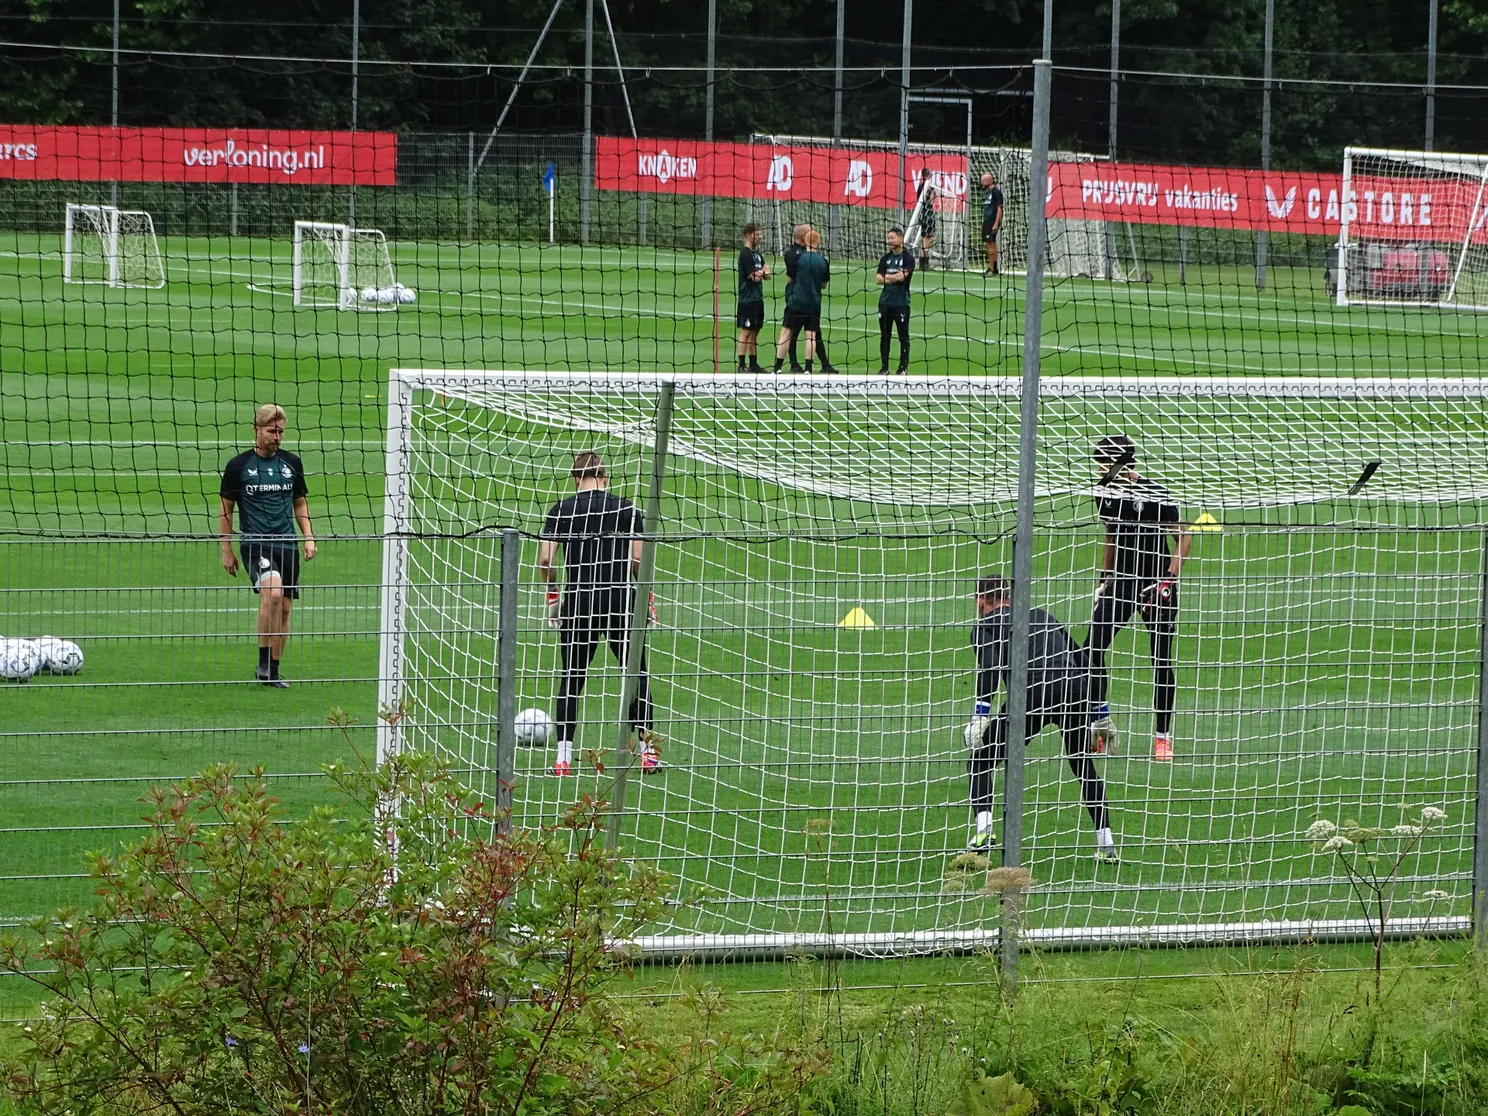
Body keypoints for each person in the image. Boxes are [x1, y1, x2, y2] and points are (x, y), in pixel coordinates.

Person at [963, 576, 1118, 862]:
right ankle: (1106, 844)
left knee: (981, 759)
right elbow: (1087, 658)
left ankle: (983, 833)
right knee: (1083, 763)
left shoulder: (984, 626)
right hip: (1074, 687)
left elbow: (990, 667)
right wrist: (1100, 713)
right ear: (1008, 598)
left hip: (1032, 691)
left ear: (981, 601)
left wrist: (981, 715)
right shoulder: (1043, 616)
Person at [537, 451, 661, 777]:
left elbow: (546, 561)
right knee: (635, 675)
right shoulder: (625, 508)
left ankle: (563, 758)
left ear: (576, 478)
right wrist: (645, 598)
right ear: (604, 477)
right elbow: (638, 560)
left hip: (580, 603)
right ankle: (647, 753)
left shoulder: (562, 510)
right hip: (620, 600)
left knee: (571, 678)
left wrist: (553, 596)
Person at [1084, 434, 1192, 762]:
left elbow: (1183, 538)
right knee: (1090, 649)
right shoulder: (1104, 494)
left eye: (1104, 463)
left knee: (1161, 658)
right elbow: (1111, 536)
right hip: (1122, 584)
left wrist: (1169, 580)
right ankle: (1100, 721)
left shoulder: (1154, 492)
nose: (1100, 469)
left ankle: (1162, 739)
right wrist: (1104, 579)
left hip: (1155, 585)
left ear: (1119, 462)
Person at [219, 403, 316, 688]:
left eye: (281, 432)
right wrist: (226, 549)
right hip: (255, 543)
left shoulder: (291, 463)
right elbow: (226, 509)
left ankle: (273, 670)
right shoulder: (238, 466)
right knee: (272, 595)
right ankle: (263, 664)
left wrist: (308, 536)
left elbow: (299, 502)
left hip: (287, 544)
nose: (277, 437)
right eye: (272, 431)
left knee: (285, 607)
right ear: (257, 430)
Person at [779, 224, 836, 374]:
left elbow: (789, 278)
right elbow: (824, 284)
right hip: (811, 301)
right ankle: (806, 367)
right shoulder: (821, 260)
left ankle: (779, 366)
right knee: (809, 334)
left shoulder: (797, 257)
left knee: (790, 332)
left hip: (796, 300)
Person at [875, 226, 915, 374]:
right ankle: (884, 367)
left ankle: (903, 368)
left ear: (901, 238)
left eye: (892, 238)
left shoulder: (908, 258)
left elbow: (902, 276)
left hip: (902, 303)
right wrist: (892, 278)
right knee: (884, 336)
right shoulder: (885, 259)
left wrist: (887, 278)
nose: (890, 241)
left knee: (903, 336)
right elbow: (878, 279)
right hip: (885, 302)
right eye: (889, 238)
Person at [735, 222, 770, 372]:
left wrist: (762, 273)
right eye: (757, 234)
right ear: (748, 235)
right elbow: (755, 277)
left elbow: (767, 275)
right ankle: (741, 365)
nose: (760, 237)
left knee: (755, 332)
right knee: (746, 331)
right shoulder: (745, 254)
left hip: (758, 300)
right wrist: (761, 273)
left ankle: (753, 364)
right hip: (747, 300)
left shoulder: (757, 255)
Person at [980, 173, 1005, 275]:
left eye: (984, 180)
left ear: (990, 180)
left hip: (992, 222)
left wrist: (996, 223)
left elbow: (1000, 209)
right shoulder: (987, 193)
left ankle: (993, 268)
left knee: (991, 244)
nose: (982, 182)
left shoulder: (996, 192)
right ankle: (992, 267)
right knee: (989, 244)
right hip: (986, 222)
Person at [914, 168, 936, 271]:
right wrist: (934, 195)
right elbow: (931, 202)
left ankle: (923, 262)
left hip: (922, 213)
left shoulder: (920, 187)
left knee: (925, 237)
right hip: (927, 213)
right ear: (928, 175)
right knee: (928, 237)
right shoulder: (929, 188)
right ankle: (924, 262)